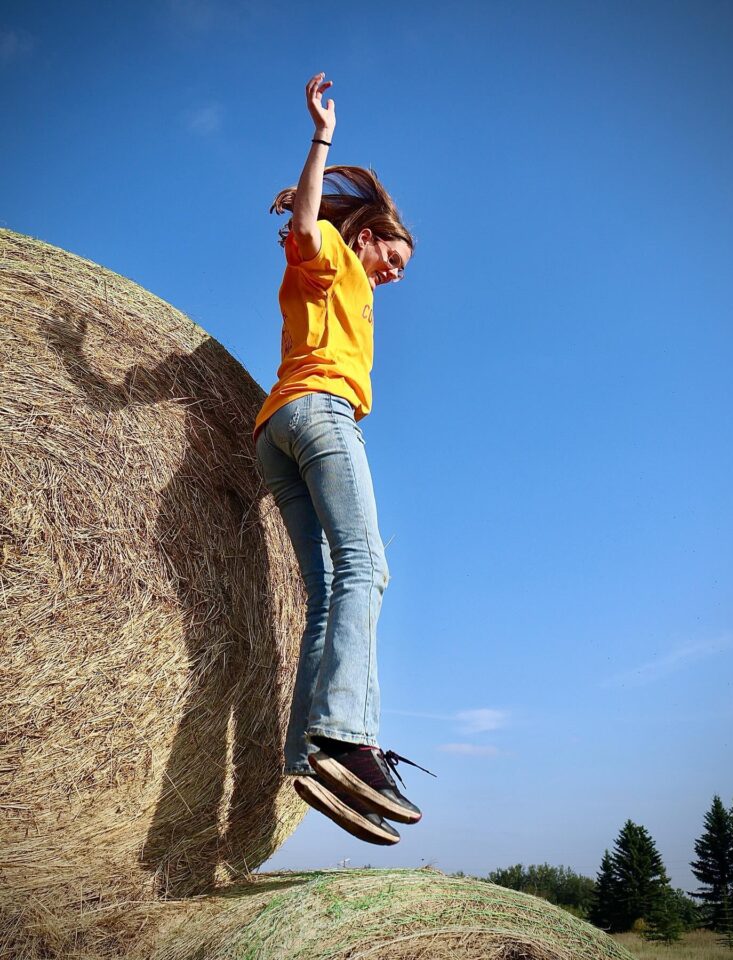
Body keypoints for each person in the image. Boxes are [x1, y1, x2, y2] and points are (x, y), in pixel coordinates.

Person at [254, 73, 432, 846]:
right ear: (366, 235)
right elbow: (303, 223)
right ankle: (348, 737)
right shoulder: (332, 256)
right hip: (320, 418)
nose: (394, 272)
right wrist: (322, 136)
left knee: (326, 595)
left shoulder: (344, 286)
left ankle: (307, 757)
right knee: (369, 567)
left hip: (274, 437)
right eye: (392, 256)